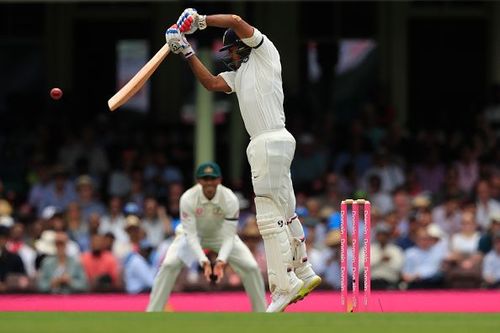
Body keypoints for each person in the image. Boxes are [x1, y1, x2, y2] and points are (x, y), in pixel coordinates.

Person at [165, 8, 321, 312]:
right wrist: (186, 51)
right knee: (286, 210)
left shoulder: (266, 53)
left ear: (243, 46)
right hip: (273, 142)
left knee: (267, 216)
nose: (230, 55)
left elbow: (236, 21)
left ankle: (284, 286)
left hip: (267, 140)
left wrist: (200, 22)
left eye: (232, 49)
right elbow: (210, 83)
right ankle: (304, 270)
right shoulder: (239, 76)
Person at [147, 162, 266, 312]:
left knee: (251, 267)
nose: (209, 182)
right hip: (193, 235)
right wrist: (203, 261)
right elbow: (190, 235)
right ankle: (153, 312)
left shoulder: (229, 198)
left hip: (221, 236)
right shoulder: (188, 198)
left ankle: (261, 313)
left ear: (219, 180)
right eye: (205, 179)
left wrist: (221, 261)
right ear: (198, 181)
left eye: (212, 178)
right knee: (169, 265)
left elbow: (229, 236)